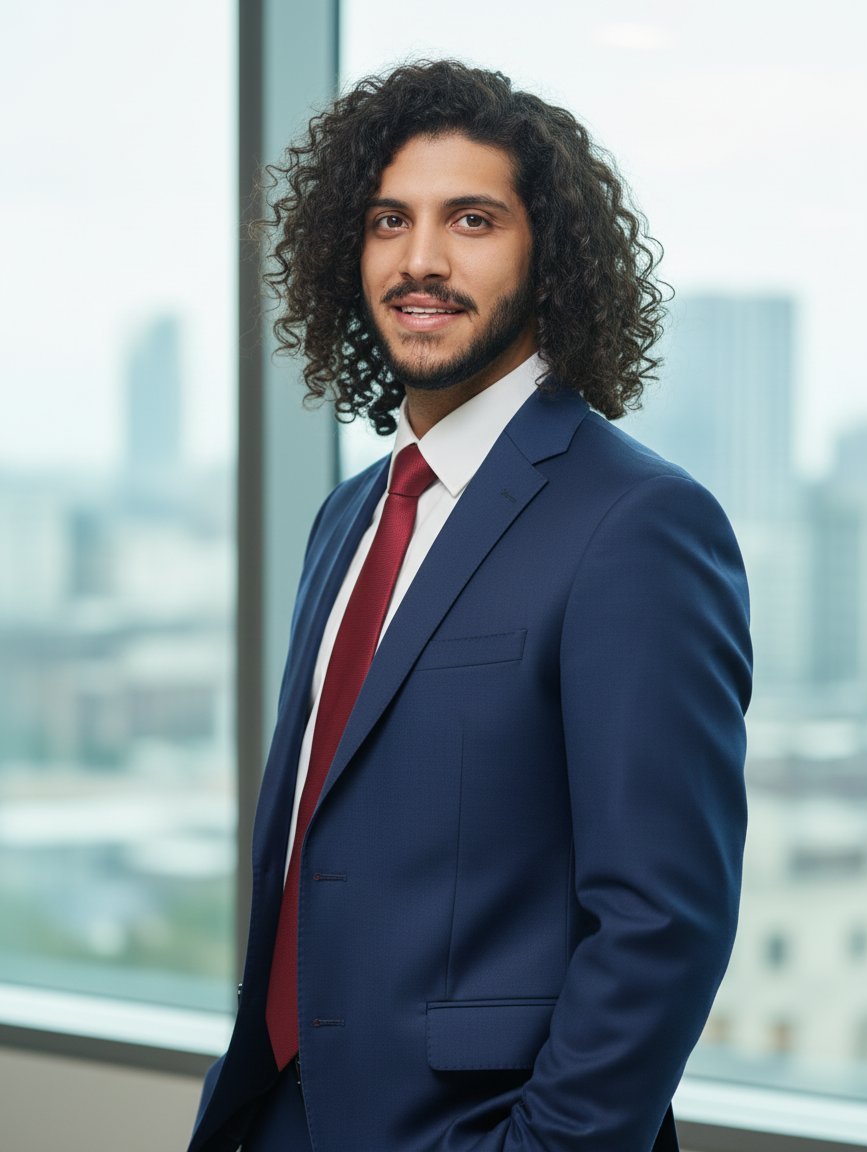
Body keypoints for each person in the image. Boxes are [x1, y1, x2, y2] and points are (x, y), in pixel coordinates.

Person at [189, 60, 751, 1152]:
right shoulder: (347, 519)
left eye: (472, 219)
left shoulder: (636, 525)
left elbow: (659, 922)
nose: (420, 259)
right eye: (387, 219)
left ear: (548, 258)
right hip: (281, 1117)